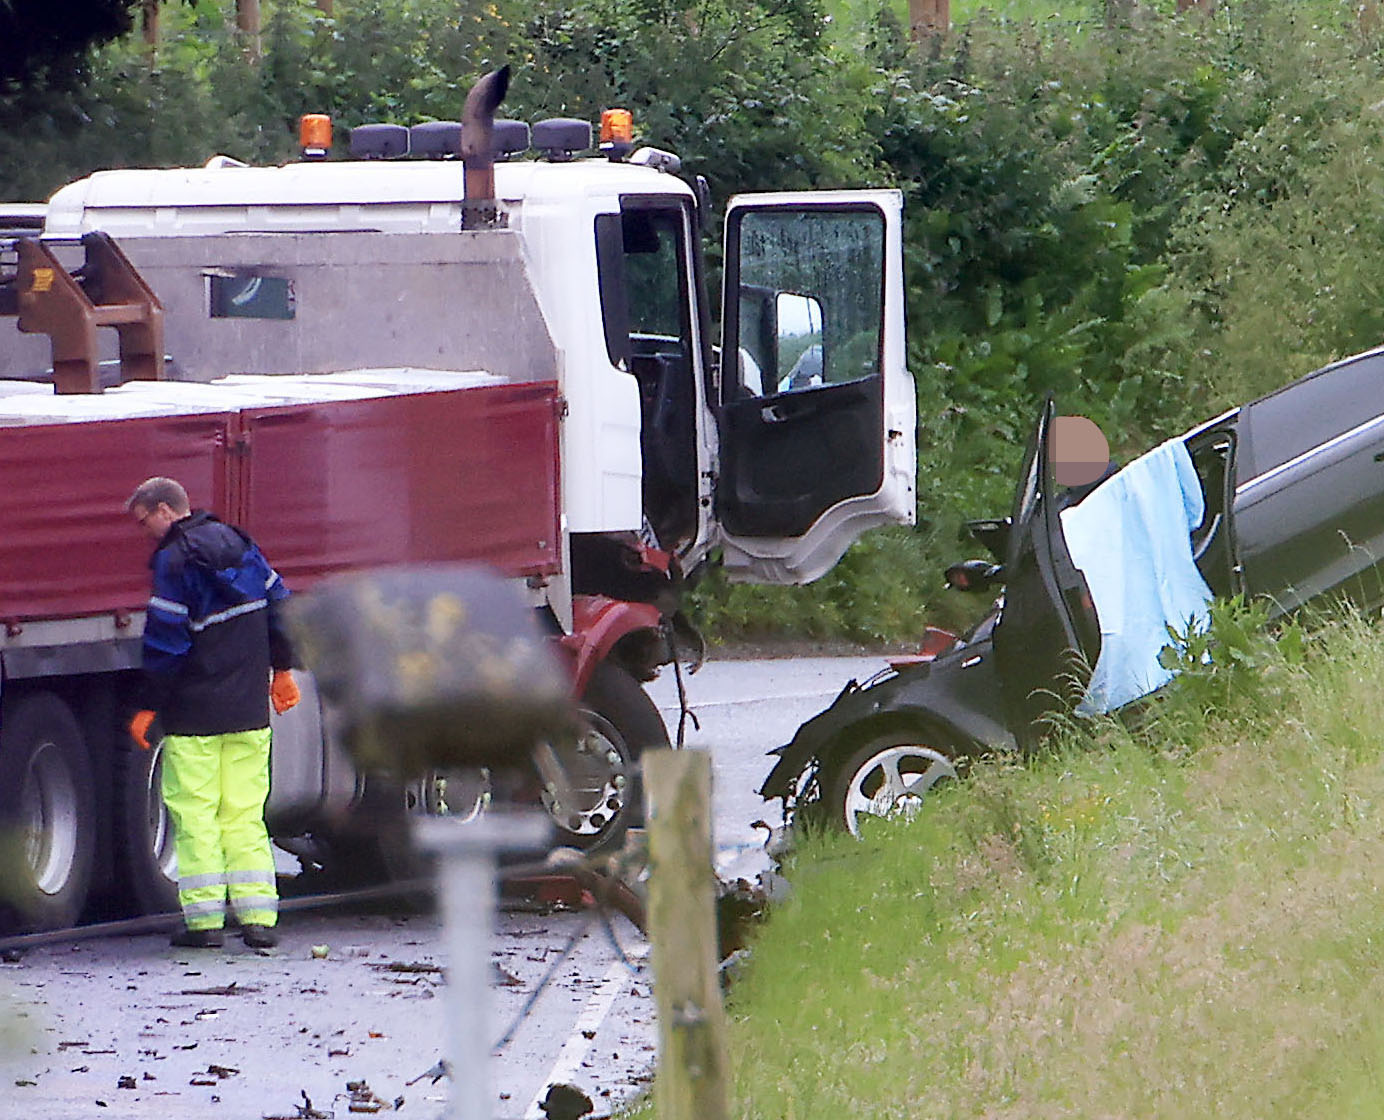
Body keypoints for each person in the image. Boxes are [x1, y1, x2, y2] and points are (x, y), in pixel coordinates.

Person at [126, 477, 300, 950]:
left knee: (196, 813)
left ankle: (204, 923)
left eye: (145, 522)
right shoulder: (242, 546)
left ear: (165, 510)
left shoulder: (173, 560)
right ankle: (259, 919)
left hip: (194, 715)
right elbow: (280, 608)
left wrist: (148, 704)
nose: (146, 533)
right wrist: (282, 669)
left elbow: (166, 641)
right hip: (248, 712)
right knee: (245, 813)